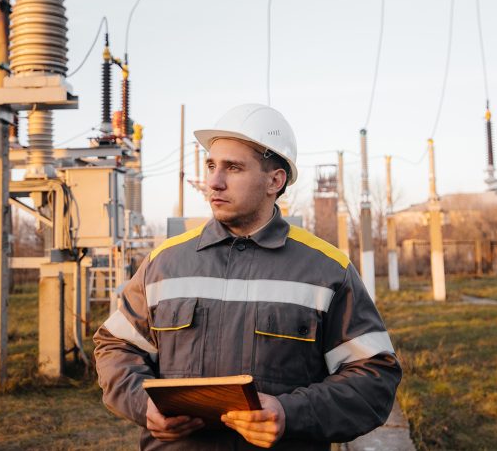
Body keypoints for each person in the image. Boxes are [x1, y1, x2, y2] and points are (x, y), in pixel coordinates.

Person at [94, 103, 401, 449]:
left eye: (233, 168)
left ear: (275, 180)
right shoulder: (163, 263)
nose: (214, 181)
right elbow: (115, 346)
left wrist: (290, 413)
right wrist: (141, 402)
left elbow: (374, 377)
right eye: (211, 165)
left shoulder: (327, 270)